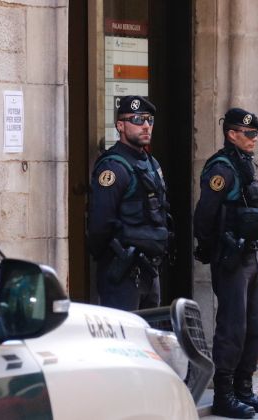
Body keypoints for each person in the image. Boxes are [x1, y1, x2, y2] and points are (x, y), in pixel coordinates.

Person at [193, 108, 258, 418]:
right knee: (233, 326)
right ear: (232, 134)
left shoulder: (244, 164)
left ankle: (244, 388)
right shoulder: (222, 168)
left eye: (256, 134)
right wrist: (212, 246)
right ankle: (224, 395)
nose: (254, 139)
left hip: (250, 255)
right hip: (231, 257)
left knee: (253, 326)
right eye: (249, 134)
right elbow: (204, 214)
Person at [87, 95, 172, 311]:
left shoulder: (151, 163)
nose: (145, 126)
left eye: (149, 120)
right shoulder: (114, 167)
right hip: (122, 271)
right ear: (120, 126)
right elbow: (99, 226)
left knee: (149, 336)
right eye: (137, 119)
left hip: (150, 270)